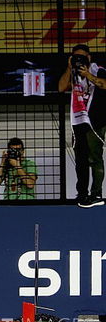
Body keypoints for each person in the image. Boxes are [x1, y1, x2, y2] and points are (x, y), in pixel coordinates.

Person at [58, 44, 106, 208]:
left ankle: (96, 193)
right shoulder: (73, 75)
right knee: (81, 160)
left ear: (89, 58)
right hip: (79, 123)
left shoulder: (97, 69)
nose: (80, 60)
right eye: (76, 57)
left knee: (95, 157)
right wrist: (69, 67)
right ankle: (83, 194)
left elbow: (104, 84)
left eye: (82, 57)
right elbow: (61, 87)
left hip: (95, 122)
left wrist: (87, 74)